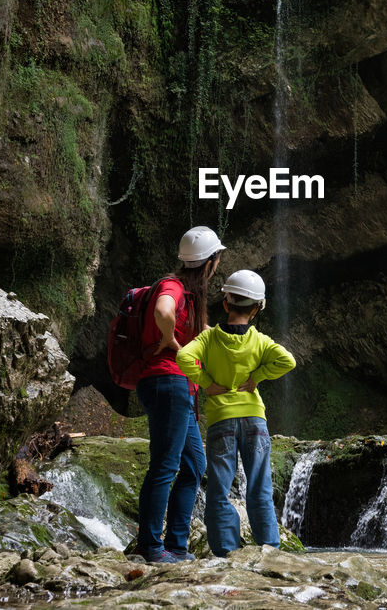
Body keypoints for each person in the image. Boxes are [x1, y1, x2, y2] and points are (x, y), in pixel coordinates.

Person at [177, 269, 296, 557]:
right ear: (256, 309)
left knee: (219, 490)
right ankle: (270, 549)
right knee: (259, 486)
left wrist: (207, 383)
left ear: (226, 304)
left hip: (221, 422)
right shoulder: (260, 341)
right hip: (255, 418)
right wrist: (258, 377)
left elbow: (182, 357)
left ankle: (226, 553)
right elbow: (288, 361)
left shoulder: (209, 340)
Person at [134, 225, 225, 564]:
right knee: (165, 466)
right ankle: (152, 548)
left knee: (193, 465)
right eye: (217, 259)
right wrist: (172, 343)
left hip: (177, 386)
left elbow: (207, 335)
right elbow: (162, 312)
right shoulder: (173, 287)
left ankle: (176, 546)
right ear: (210, 261)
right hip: (167, 383)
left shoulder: (189, 295)